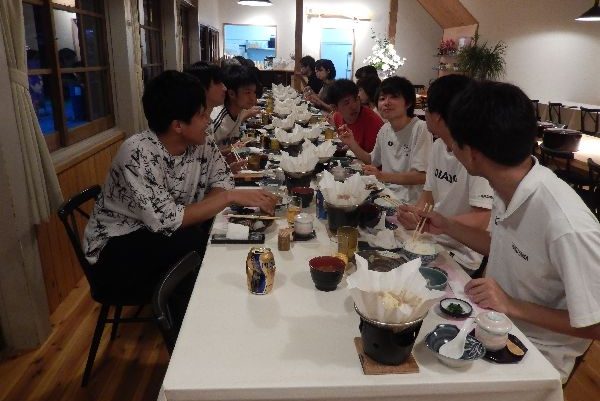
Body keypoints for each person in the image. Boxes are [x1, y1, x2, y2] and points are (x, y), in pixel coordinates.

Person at [401, 80, 600, 382]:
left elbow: (595, 323)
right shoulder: (508, 185)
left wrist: (511, 305)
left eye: (454, 142)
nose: (449, 148)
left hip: (534, 354)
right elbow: (504, 248)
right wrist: (447, 225)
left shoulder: (565, 223)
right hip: (489, 323)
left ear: (472, 153)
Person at [83, 70, 278, 300]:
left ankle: (205, 301)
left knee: (210, 235)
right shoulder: (138, 154)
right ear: (178, 125)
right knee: (196, 244)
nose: (209, 121)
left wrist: (209, 206)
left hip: (163, 233)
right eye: (202, 115)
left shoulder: (200, 141)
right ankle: (189, 315)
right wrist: (226, 198)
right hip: (115, 252)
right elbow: (167, 221)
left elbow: (222, 179)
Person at [396, 75, 493, 275]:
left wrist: (435, 224)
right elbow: (428, 197)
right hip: (432, 239)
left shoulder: (476, 155)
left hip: (462, 254)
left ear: (438, 116)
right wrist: (415, 215)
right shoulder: (439, 145)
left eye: (427, 108)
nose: (425, 114)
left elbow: (482, 218)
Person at [340, 76, 433, 204]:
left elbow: (421, 176)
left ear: (408, 103)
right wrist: (352, 143)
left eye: (394, 97)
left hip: (408, 202)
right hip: (385, 195)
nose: (386, 102)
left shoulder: (420, 128)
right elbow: (372, 160)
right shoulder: (385, 129)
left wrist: (382, 176)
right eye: (382, 98)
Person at [327, 79, 384, 153]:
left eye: (356, 99)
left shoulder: (373, 123)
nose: (354, 106)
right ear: (334, 107)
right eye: (347, 103)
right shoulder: (337, 117)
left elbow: (375, 158)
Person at [210, 64, 261, 147]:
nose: (253, 98)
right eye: (247, 92)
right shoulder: (216, 121)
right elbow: (205, 153)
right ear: (231, 94)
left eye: (254, 92)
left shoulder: (238, 110)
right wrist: (233, 148)